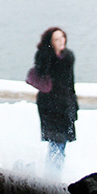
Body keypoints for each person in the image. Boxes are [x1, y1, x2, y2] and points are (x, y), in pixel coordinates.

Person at [32, 26, 79, 168]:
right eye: (57, 39)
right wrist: (50, 54)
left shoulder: (68, 56)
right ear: (51, 42)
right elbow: (41, 72)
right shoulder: (44, 56)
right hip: (49, 106)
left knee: (61, 143)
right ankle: (52, 175)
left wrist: (74, 106)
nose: (61, 41)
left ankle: (53, 173)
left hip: (65, 105)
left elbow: (70, 82)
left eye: (62, 37)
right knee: (56, 142)